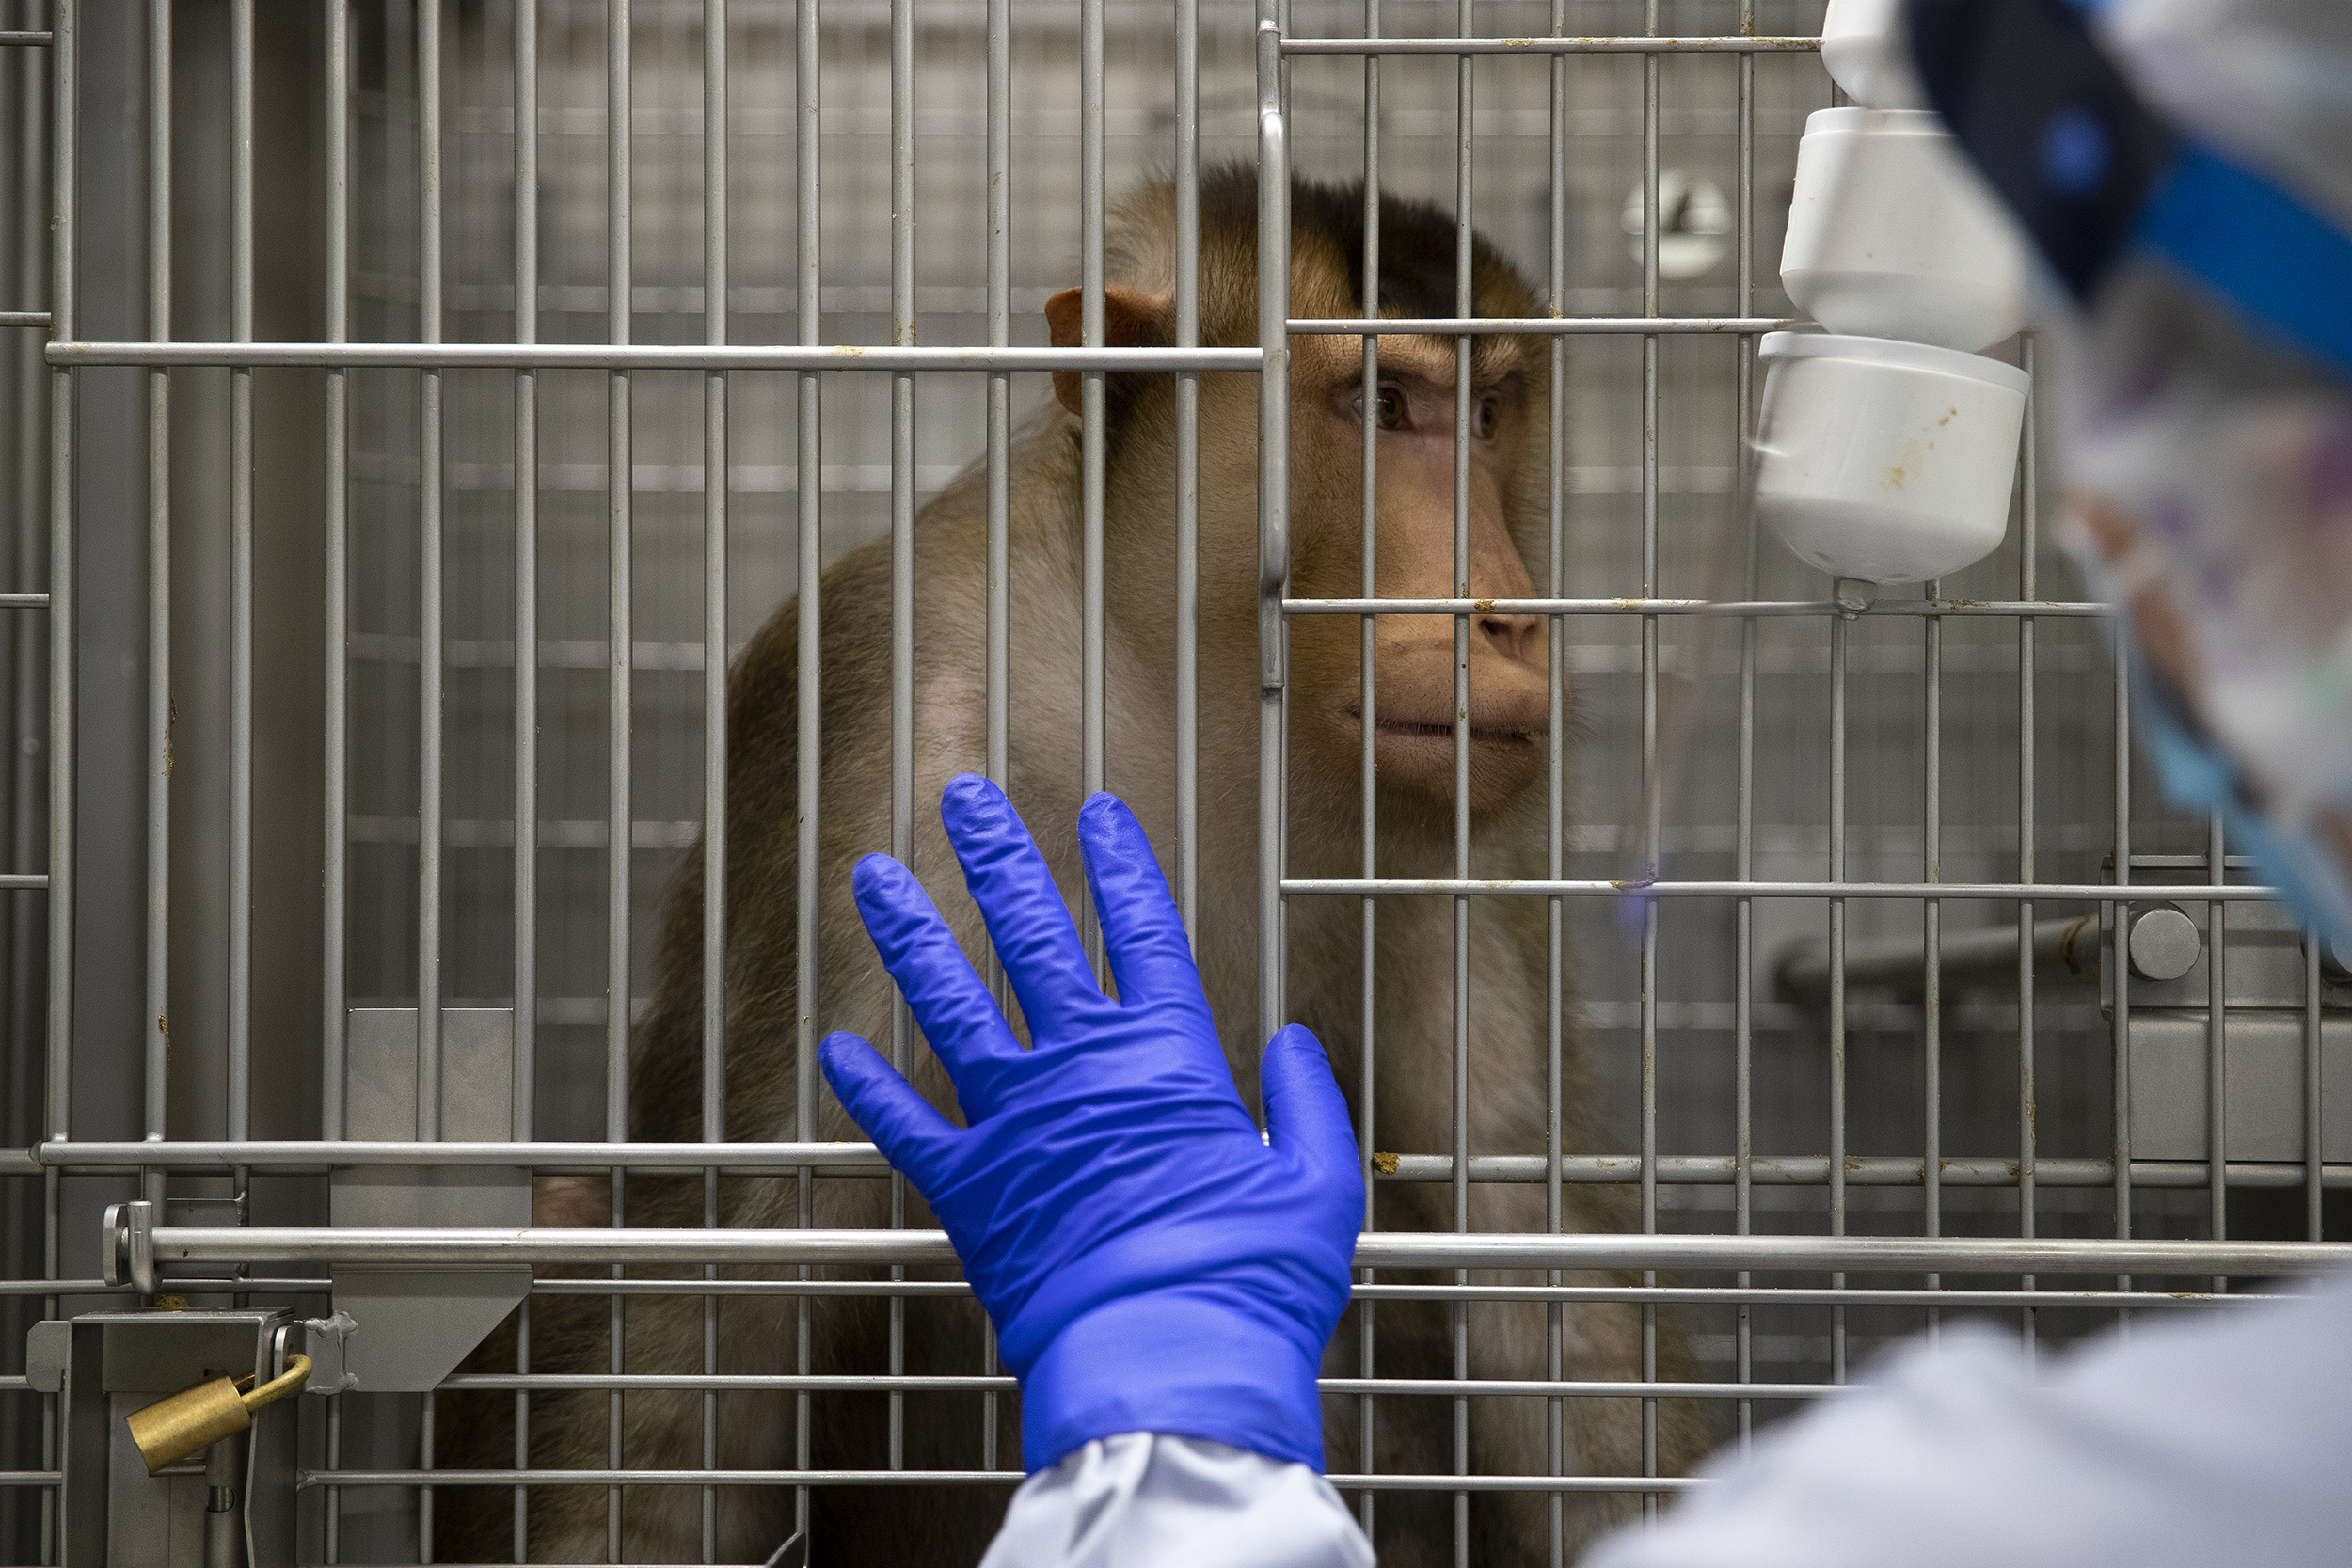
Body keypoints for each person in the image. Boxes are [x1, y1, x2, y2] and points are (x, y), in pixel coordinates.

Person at [819, 1, 2352, 1561]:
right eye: (1382, 404)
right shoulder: (931, 674)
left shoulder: (1411, 818)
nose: (1502, 594)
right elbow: (695, 1348)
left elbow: (1564, 1332)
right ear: (1117, 376)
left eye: (1489, 416)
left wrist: (1160, 1410)